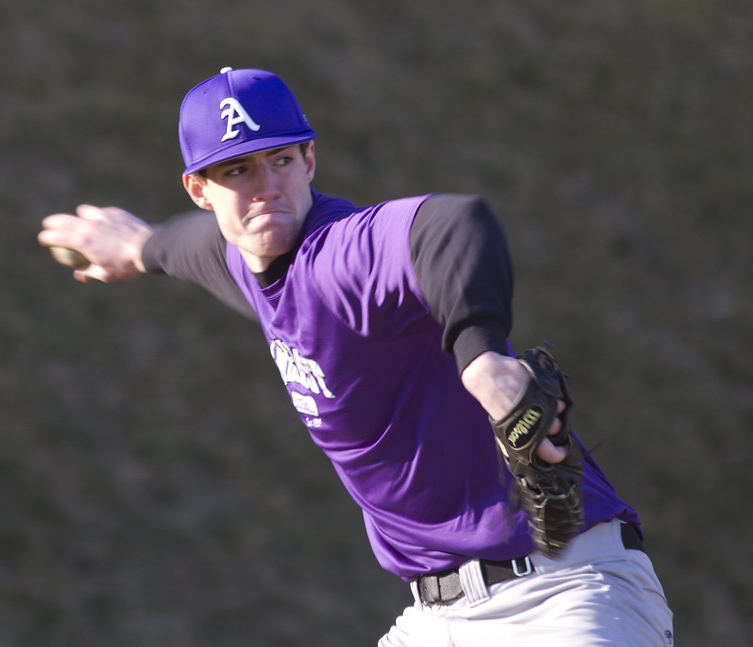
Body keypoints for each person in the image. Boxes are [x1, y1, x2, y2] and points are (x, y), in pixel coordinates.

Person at [38, 67, 674, 646]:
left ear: (310, 159)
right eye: (237, 171)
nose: (266, 189)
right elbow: (189, 247)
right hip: (439, 620)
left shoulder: (341, 255)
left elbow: (452, 224)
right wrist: (138, 245)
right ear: (199, 189)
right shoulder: (240, 257)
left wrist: (481, 357)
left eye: (280, 160)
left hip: (566, 594)